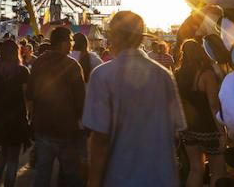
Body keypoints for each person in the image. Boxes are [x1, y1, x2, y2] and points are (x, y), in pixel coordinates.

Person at [84, 12, 187, 187]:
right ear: (141, 38)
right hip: (162, 178)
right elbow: (175, 134)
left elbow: (100, 140)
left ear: (114, 36)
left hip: (120, 177)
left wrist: (93, 181)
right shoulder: (164, 75)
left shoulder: (103, 76)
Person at [28, 26, 85, 187]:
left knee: (42, 175)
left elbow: (30, 94)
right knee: (72, 176)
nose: (72, 44)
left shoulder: (38, 62)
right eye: (71, 40)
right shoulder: (72, 65)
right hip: (65, 130)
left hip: (42, 127)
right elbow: (81, 100)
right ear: (63, 43)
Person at [174, 40, 225, 187]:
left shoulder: (177, 75)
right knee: (218, 171)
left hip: (188, 129)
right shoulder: (206, 74)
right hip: (209, 129)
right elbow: (214, 105)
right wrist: (221, 131)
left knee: (196, 169)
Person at [0, 40, 30, 187]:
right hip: (17, 118)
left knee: (2, 155)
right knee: (13, 158)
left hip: (0, 117)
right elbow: (26, 96)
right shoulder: (23, 71)